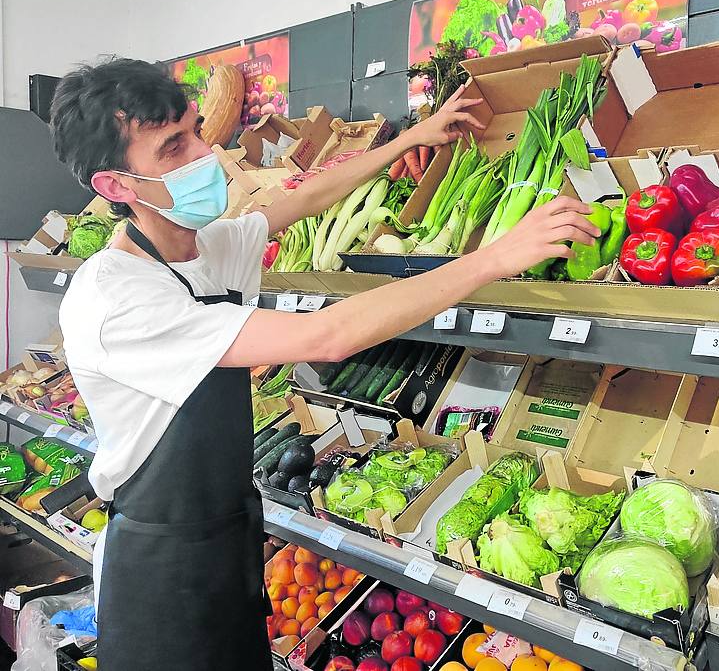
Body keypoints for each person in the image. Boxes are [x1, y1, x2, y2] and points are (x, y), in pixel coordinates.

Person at [50, 58, 598, 670]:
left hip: (230, 539)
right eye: (174, 147)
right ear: (117, 187)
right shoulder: (119, 297)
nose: (206, 154)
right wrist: (491, 259)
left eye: (198, 130)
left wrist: (409, 140)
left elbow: (304, 196)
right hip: (161, 571)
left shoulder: (205, 250)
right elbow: (328, 336)